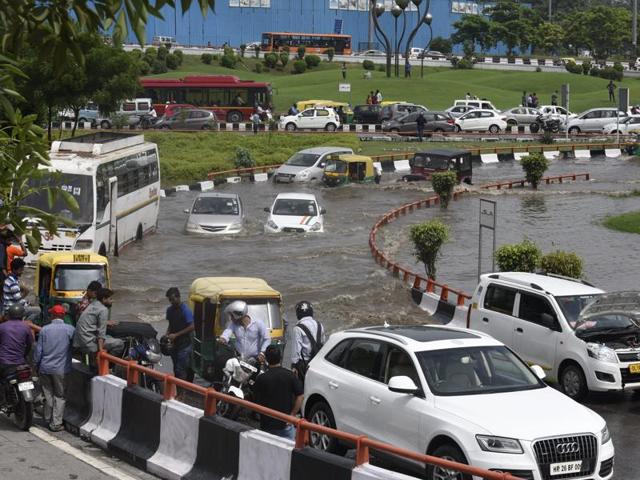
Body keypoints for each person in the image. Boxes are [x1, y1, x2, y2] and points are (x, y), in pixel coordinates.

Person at [33, 304, 75, 431]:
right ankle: (56, 423)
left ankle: (47, 418)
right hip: (61, 369)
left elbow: (38, 351)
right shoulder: (70, 329)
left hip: (45, 367)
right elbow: (76, 346)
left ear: (52, 315)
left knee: (48, 394)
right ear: (63, 316)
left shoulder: (45, 329)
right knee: (60, 396)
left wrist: (35, 365)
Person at [254, 345, 303, 440]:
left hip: (267, 425)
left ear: (267, 359)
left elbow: (256, 401)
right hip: (286, 424)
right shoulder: (290, 375)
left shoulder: (261, 378)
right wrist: (292, 415)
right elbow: (300, 396)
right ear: (280, 358)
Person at [73, 288, 124, 357]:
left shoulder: (92, 304)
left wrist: (106, 323)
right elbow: (101, 333)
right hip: (89, 343)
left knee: (109, 337)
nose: (113, 301)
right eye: (110, 299)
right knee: (119, 343)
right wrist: (101, 350)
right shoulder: (103, 309)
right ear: (104, 299)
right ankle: (107, 365)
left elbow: (91, 321)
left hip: (78, 341)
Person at [164, 287, 195, 382]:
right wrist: (167, 333)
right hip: (174, 344)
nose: (172, 302)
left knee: (181, 369)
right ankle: (180, 391)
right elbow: (171, 324)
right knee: (176, 369)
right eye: (170, 300)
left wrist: (176, 335)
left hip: (185, 344)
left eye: (173, 299)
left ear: (179, 297)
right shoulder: (169, 310)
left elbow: (192, 326)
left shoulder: (185, 310)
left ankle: (183, 394)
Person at [291, 301, 325, 383]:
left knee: (304, 388)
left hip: (304, 364)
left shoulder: (297, 328)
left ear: (298, 314)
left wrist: (294, 366)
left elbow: (296, 350)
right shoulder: (320, 325)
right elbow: (323, 343)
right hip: (318, 361)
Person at [0, 304, 33, 382]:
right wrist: (24, 355)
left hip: (4, 362)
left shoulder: (2, 326)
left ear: (9, 315)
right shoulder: (26, 327)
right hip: (20, 362)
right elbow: (29, 344)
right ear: (22, 315)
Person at [3, 258, 40, 323]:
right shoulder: (13, 282)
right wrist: (27, 299)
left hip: (10, 306)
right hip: (12, 309)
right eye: (21, 270)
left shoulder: (10, 279)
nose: (22, 272)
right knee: (38, 310)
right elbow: (18, 300)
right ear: (14, 269)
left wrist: (27, 303)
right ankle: (24, 324)